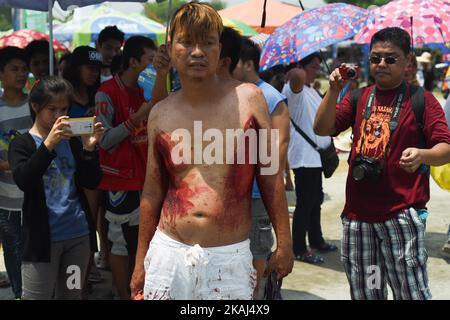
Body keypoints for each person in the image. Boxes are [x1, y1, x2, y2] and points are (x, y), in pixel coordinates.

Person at [130, 1, 293, 300]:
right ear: (170, 48)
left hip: (228, 257)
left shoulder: (249, 100)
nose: (197, 52)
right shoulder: (161, 113)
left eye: (207, 43)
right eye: (187, 42)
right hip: (169, 252)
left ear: (219, 49)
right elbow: (152, 193)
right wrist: (141, 262)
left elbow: (270, 175)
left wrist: (285, 242)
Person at [314, 27, 450, 300]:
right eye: (375, 58)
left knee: (409, 292)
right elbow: (322, 128)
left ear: (407, 61)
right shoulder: (358, 97)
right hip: (358, 220)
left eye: (391, 58)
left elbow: (445, 149)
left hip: (400, 217)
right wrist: (333, 91)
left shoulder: (422, 100)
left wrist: (422, 155)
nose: (381, 64)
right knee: (367, 292)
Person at [8, 76, 104, 299]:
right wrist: (48, 144)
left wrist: (89, 150)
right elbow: (25, 180)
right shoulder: (22, 143)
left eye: (64, 109)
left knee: (71, 295)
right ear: (35, 106)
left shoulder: (70, 141)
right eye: (52, 109)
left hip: (78, 237)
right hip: (42, 243)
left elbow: (92, 181)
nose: (60, 116)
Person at [95, 36, 169, 300]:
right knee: (119, 243)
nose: (154, 66)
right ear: (134, 61)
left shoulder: (149, 88)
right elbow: (104, 141)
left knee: (146, 241)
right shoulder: (106, 93)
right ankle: (120, 292)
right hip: (120, 180)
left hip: (147, 179)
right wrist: (137, 118)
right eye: (150, 61)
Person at [232, 37, 290, 299]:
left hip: (257, 195)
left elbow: (279, 147)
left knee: (257, 255)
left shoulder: (271, 97)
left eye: (230, 62)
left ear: (246, 64)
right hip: (234, 196)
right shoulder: (230, 93)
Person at [283, 54, 337, 265]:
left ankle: (316, 240)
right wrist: (297, 69)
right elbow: (296, 75)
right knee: (305, 204)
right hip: (305, 157)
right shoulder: (293, 88)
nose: (316, 70)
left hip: (315, 156)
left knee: (316, 201)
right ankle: (299, 248)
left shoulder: (309, 89)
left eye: (317, 67)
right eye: (312, 67)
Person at [0, 46, 31, 299]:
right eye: (14, 69)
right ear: (1, 74)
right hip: (6, 197)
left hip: (36, 193)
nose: (22, 74)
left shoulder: (36, 104)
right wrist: (11, 165)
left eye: (24, 69)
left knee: (35, 249)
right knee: (12, 249)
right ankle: (20, 293)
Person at [63, 46, 102, 118]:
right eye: (91, 68)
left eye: (98, 69)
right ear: (77, 68)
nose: (95, 73)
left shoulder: (99, 95)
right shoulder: (62, 94)